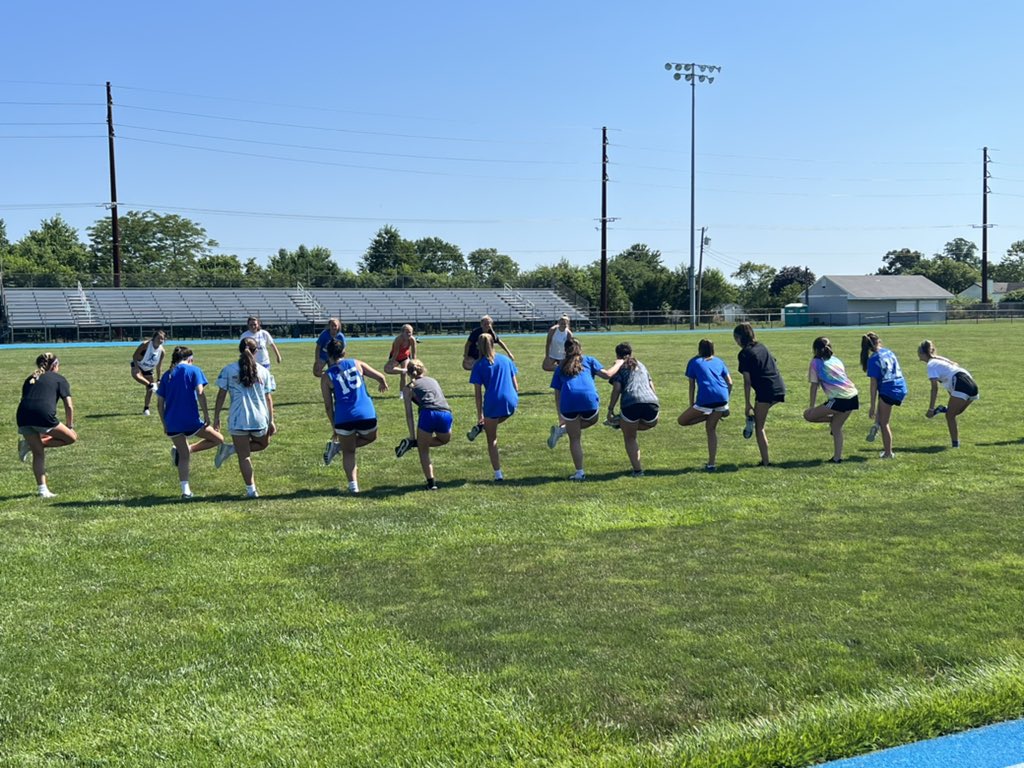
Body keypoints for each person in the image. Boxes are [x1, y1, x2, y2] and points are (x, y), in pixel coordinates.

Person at [156, 346, 225, 499]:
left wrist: (164, 423)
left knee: (184, 455)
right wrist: (207, 415)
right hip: (190, 420)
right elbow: (200, 393)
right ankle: (189, 449)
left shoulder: (168, 375)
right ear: (190, 359)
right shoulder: (194, 371)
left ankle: (185, 491)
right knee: (219, 439)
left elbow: (160, 404)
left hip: (172, 421)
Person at [548, 337, 621, 481]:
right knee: (593, 420)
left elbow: (557, 394)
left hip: (568, 402)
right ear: (580, 349)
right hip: (588, 401)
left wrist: (561, 417)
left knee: (575, 439)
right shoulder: (589, 360)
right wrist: (619, 363)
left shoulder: (561, 366)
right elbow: (607, 375)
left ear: (565, 350)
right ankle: (563, 430)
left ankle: (579, 472)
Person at [321, 339, 389, 494]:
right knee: (371, 437)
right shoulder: (356, 363)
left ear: (328, 355)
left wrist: (334, 427)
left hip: (343, 417)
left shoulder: (326, 376)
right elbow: (379, 376)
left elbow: (328, 406)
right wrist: (382, 383)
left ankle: (353, 486)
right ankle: (338, 447)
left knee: (349, 451)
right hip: (366, 413)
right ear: (344, 352)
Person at [213, 337, 277, 498]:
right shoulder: (264, 371)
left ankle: (251, 490)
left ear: (240, 350)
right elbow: (268, 398)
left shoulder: (228, 370)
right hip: (259, 418)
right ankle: (251, 490)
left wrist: (216, 417)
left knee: (244, 455)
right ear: (256, 352)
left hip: (237, 418)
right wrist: (271, 420)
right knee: (263, 443)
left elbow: (221, 395)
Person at [16, 353, 78, 498]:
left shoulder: (31, 378)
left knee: (38, 454)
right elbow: (69, 406)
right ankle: (30, 445)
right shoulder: (60, 379)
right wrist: (70, 426)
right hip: (42, 415)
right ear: (55, 365)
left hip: (22, 415)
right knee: (72, 438)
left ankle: (43, 490)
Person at [468, 334, 519, 482]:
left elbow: (478, 395)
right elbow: (516, 385)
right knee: (497, 419)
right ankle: (484, 426)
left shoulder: (478, 365)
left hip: (492, 402)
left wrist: (480, 416)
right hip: (511, 400)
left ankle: (498, 474)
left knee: (492, 440)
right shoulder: (506, 359)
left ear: (479, 346)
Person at [394, 358, 452, 490]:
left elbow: (409, 415)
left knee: (423, 449)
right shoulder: (433, 380)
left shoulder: (408, 388)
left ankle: (431, 483)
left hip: (427, 414)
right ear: (423, 369)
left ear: (408, 373)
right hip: (445, 413)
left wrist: (412, 436)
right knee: (444, 440)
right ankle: (417, 442)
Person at [734, 323, 786, 467]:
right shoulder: (762, 346)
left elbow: (747, 381)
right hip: (779, 386)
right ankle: (752, 418)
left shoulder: (744, 354)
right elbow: (773, 362)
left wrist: (747, 404)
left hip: (765, 390)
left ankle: (765, 462)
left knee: (759, 427)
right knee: (758, 419)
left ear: (739, 338)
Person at [677, 338, 732, 472]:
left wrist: (691, 404)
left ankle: (708, 415)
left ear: (699, 349)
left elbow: (692, 385)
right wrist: (726, 401)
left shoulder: (694, 362)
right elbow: (730, 383)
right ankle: (711, 464)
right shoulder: (719, 361)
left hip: (705, 399)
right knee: (711, 430)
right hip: (722, 398)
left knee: (682, 420)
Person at [605, 342, 659, 477]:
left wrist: (610, 409)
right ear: (631, 353)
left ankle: (638, 471)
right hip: (651, 401)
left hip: (631, 402)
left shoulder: (620, 367)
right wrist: (655, 400)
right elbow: (651, 384)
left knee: (630, 436)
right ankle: (623, 423)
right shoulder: (641, 365)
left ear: (617, 355)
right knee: (650, 423)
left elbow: (617, 388)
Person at [803, 337, 859, 463]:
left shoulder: (815, 363)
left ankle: (832, 420)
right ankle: (837, 458)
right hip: (853, 396)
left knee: (808, 416)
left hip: (839, 399)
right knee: (836, 428)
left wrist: (811, 407)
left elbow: (814, 386)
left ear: (815, 350)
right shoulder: (837, 360)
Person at [917, 339, 979, 448]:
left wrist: (931, 409)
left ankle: (955, 445)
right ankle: (943, 409)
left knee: (950, 415)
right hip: (971, 383)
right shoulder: (938, 360)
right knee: (955, 412)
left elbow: (934, 389)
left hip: (961, 383)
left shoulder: (931, 365)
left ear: (922, 353)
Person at [861, 332, 907, 459]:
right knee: (882, 407)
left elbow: (873, 386)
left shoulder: (873, 360)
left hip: (889, 390)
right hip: (901, 386)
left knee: (884, 423)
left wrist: (871, 406)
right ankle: (876, 425)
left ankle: (888, 453)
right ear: (878, 341)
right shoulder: (889, 352)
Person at [131, 329, 166, 416]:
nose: (160, 340)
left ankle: (146, 408)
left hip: (148, 369)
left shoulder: (162, 351)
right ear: (154, 338)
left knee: (149, 390)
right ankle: (150, 384)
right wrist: (136, 366)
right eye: (159, 338)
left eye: (162, 339)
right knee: (136, 375)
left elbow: (159, 366)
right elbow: (134, 356)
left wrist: (158, 379)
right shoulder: (145, 345)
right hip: (138, 364)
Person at [384, 324, 418, 394]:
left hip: (405, 357)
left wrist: (414, 363)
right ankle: (405, 370)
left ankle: (402, 393)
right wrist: (391, 362)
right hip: (395, 357)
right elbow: (396, 352)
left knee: (403, 375)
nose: (409, 334)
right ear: (402, 333)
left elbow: (413, 353)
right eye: (407, 332)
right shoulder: (398, 339)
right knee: (387, 369)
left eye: (410, 332)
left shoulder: (412, 339)